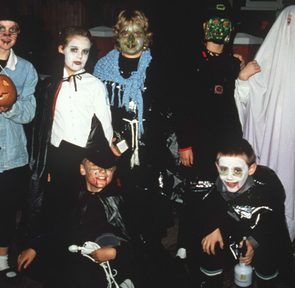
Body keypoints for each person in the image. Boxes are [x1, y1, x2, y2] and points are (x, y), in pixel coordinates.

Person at [93, 9, 171, 251]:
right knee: (119, 201)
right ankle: (123, 246)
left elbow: (170, 107)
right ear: (117, 35)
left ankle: (150, 248)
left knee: (149, 202)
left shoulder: (159, 66)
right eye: (125, 32)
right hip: (114, 145)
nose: (130, 38)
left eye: (136, 32)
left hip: (148, 147)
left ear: (145, 36)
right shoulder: (103, 66)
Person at [178, 138, 295, 288]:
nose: (230, 177)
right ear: (217, 167)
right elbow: (202, 208)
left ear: (251, 169)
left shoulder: (268, 184)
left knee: (269, 260)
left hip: (262, 229)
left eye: (237, 170)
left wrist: (253, 242)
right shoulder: (213, 184)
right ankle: (211, 285)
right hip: (232, 228)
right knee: (209, 244)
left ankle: (268, 285)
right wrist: (213, 227)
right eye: (224, 169)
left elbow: (273, 220)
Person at [18, 141, 135, 288]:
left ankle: (119, 285)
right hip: (72, 255)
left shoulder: (117, 200)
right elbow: (55, 226)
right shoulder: (72, 196)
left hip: (104, 257)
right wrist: (35, 247)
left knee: (82, 277)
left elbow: (135, 240)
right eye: (96, 169)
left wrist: (115, 253)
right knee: (43, 266)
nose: (103, 174)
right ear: (82, 170)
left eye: (109, 170)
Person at [28, 26, 114, 233]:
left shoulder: (94, 85)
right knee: (57, 210)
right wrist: (46, 164)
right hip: (59, 155)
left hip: (86, 154)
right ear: (61, 49)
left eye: (85, 52)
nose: (79, 56)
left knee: (83, 213)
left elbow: (106, 124)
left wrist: (106, 157)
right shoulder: (50, 85)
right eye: (74, 50)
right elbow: (42, 126)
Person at [234, 5, 295, 242]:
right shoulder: (263, 64)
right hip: (270, 141)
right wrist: (242, 78)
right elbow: (245, 101)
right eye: (289, 22)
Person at [174, 0, 242, 182]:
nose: (219, 28)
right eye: (214, 22)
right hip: (198, 143)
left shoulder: (233, 64)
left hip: (226, 142)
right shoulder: (189, 61)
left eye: (224, 23)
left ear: (231, 29)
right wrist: (185, 144)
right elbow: (181, 105)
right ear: (205, 26)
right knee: (197, 192)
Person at [0, 9, 38, 278]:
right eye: (1, 28)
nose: (6, 34)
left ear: (18, 34)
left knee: (6, 209)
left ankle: (1, 261)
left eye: (12, 29)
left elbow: (29, 112)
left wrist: (8, 106)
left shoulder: (25, 69)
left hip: (13, 155)